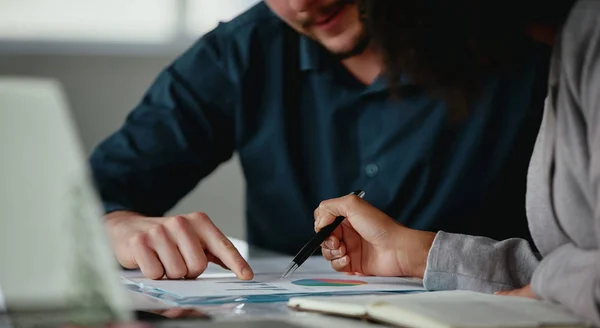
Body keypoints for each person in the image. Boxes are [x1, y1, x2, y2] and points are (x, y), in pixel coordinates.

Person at [91, 0, 550, 281]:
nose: (301, 4)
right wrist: (116, 226)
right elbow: (85, 194)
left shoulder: (532, 46)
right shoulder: (243, 52)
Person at [314, 0, 600, 327]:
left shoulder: (589, 32)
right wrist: (420, 255)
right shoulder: (567, 45)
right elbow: (558, 269)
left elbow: (558, 278)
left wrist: (551, 287)